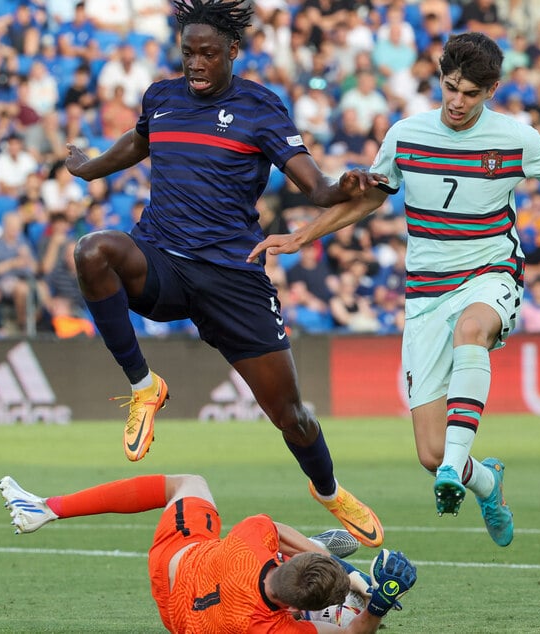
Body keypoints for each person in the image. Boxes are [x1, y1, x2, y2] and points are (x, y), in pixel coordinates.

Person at [249, 32, 540, 545]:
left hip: (491, 271)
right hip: (426, 293)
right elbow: (368, 201)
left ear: (491, 89)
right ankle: (485, 480)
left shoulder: (516, 139)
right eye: (449, 87)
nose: (456, 101)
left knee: (473, 330)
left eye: (470, 93)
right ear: (440, 79)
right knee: (429, 453)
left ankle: (454, 468)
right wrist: (300, 236)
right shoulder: (406, 135)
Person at [64, 0, 385, 548]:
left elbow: (313, 185)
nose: (195, 63)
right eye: (188, 52)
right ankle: (145, 387)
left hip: (233, 278)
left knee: (292, 415)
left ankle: (329, 491)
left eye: (207, 53)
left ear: (233, 52)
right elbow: (139, 143)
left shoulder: (261, 107)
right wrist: (88, 167)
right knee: (93, 250)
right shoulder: (162, 98)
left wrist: (341, 189)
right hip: (162, 260)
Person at [0, 472, 416, 633]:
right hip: (182, 624)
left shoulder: (250, 543)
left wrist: (346, 571)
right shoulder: (270, 628)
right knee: (342, 628)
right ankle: (332, 603)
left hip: (174, 563)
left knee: (187, 483)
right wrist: (376, 602)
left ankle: (50, 508)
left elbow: (280, 533)